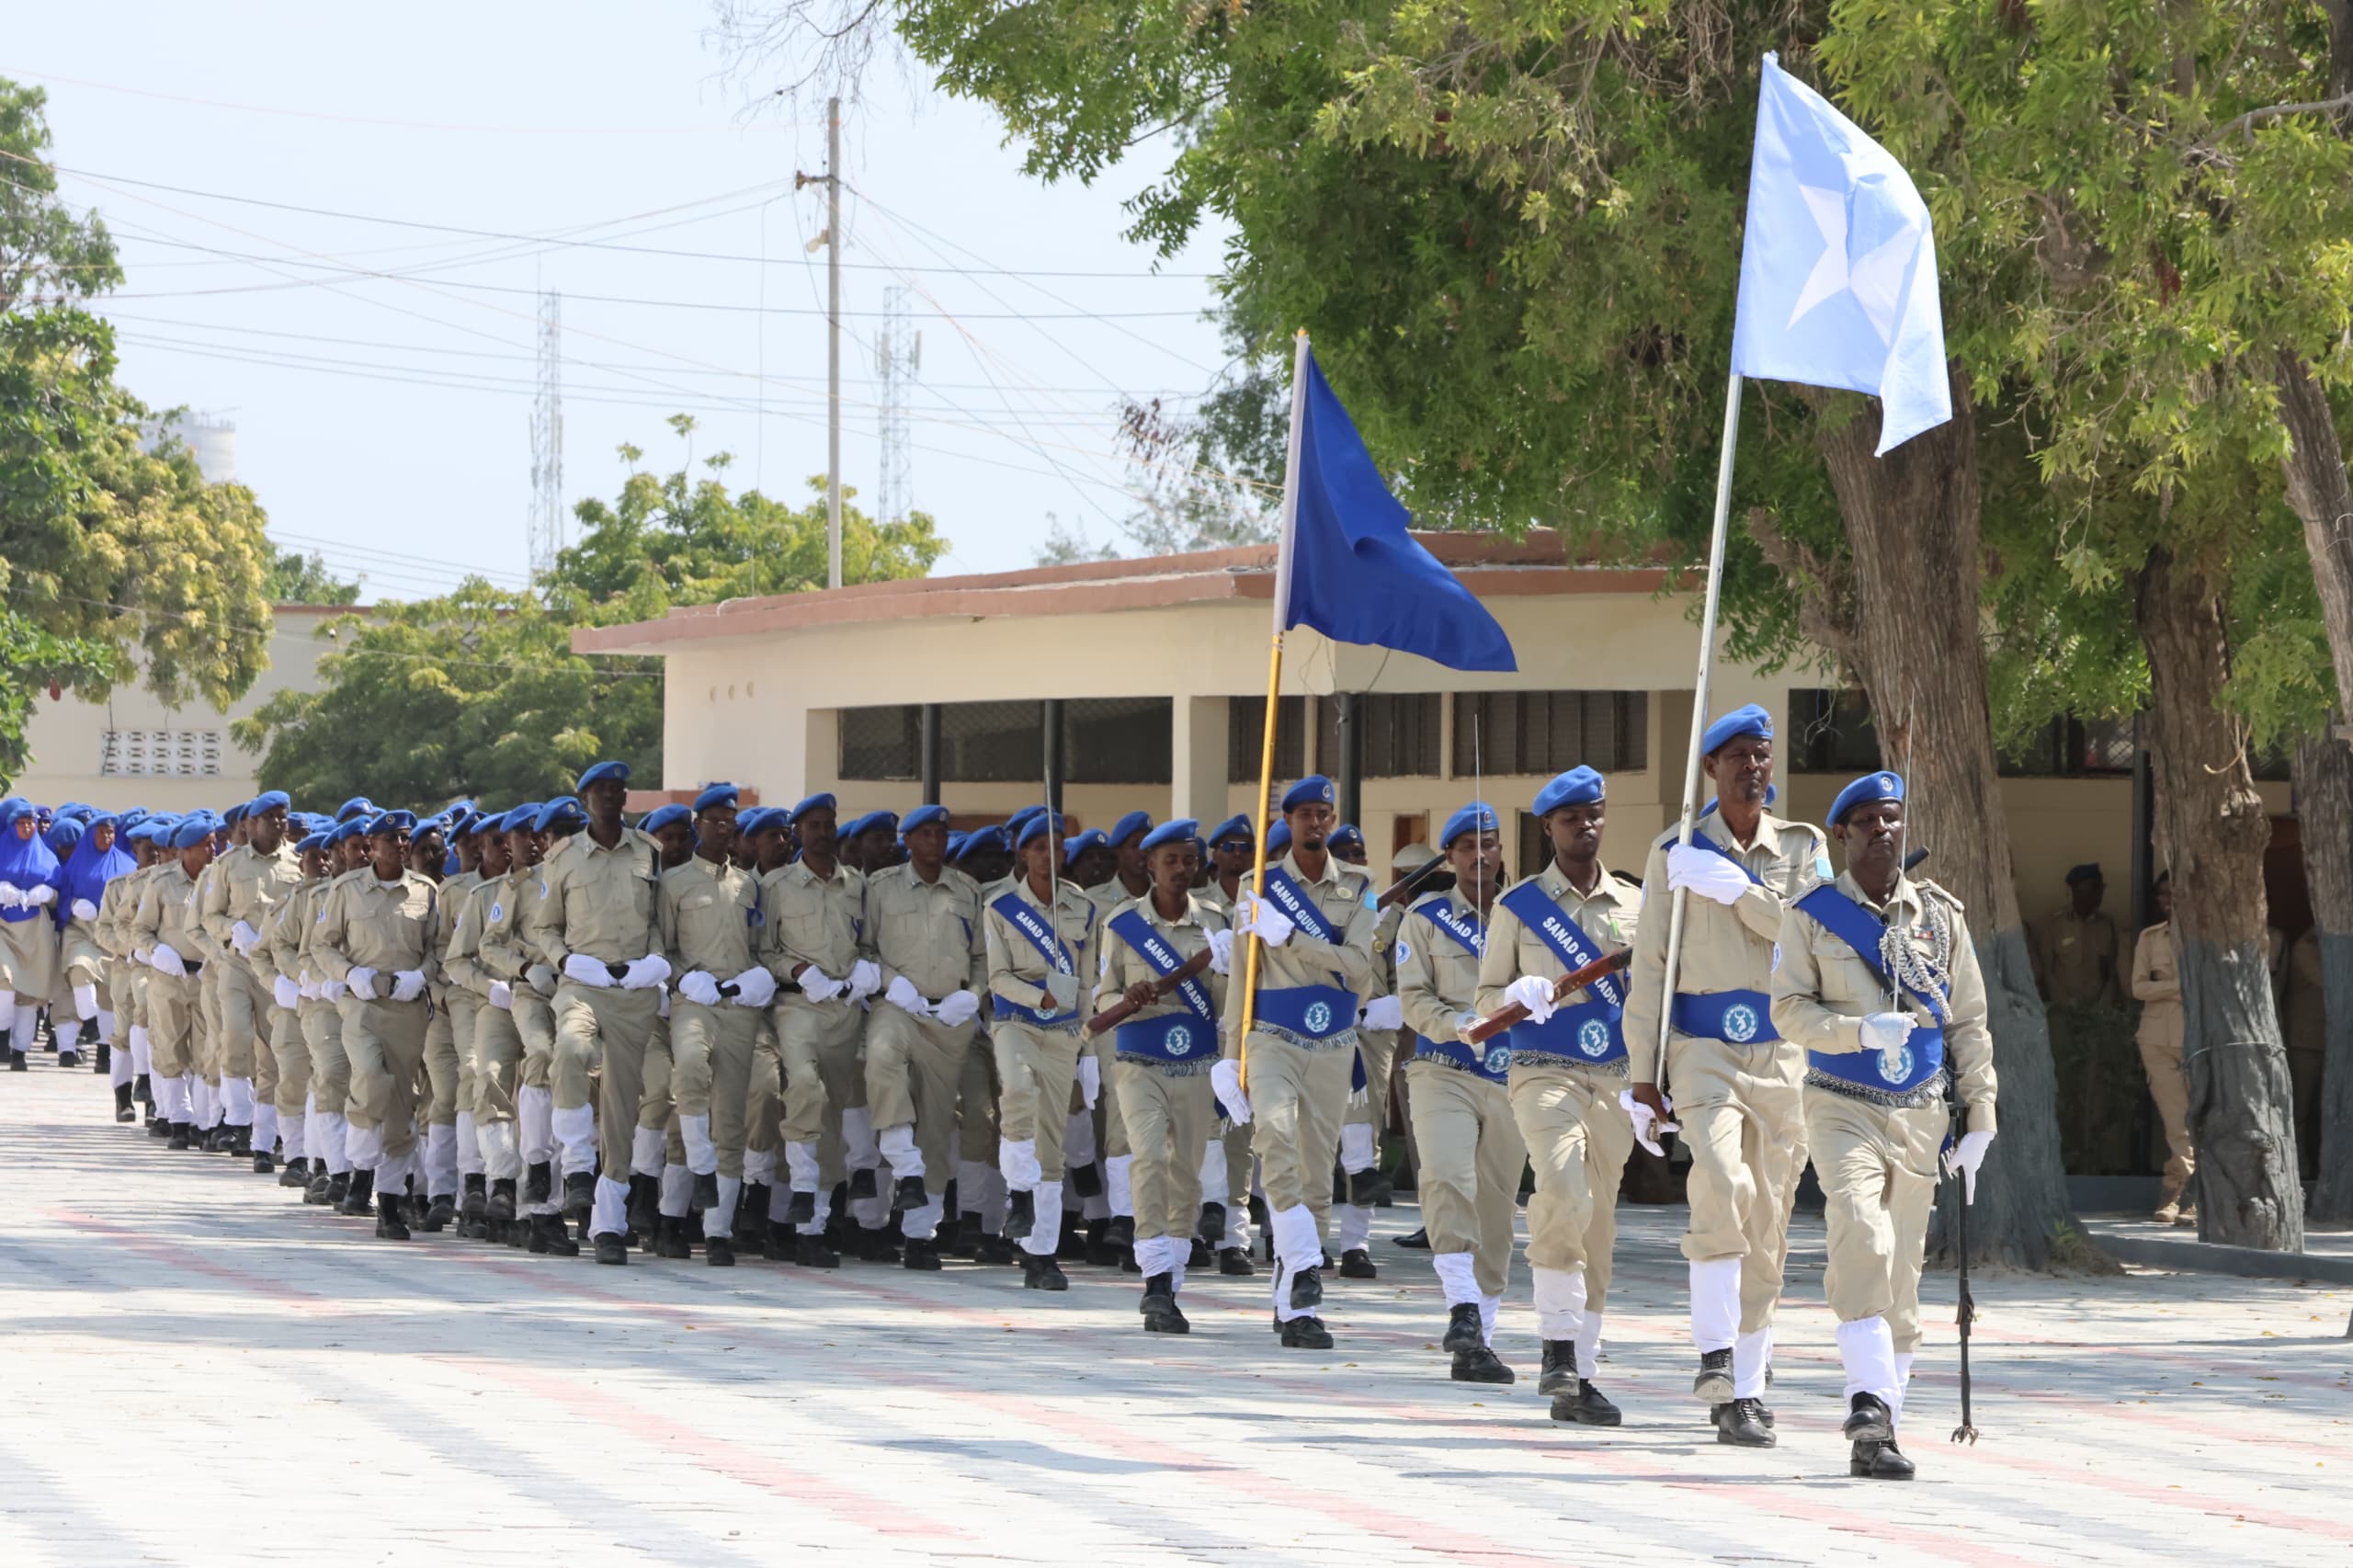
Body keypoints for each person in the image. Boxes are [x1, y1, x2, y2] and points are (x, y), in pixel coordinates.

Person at [1770, 770, 1996, 1481]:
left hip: (1921, 1110)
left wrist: (1981, 1116)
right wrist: (1857, 1031)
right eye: (1867, 820)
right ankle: (1865, 1397)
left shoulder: (1941, 918)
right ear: (1842, 833)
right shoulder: (1811, 915)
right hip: (1842, 1100)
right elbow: (1788, 1010)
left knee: (1901, 1270)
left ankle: (1880, 1431)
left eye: (1892, 818)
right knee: (1861, 1229)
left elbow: (1969, 1022)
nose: (1882, 830)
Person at [1624, 703, 1824, 1422]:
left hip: (1781, 1052)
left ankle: (1747, 1387)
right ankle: (1714, 1352)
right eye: (1738, 755)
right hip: (1702, 1048)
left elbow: (1818, 937)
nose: (1753, 766)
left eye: (1762, 754)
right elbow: (1651, 966)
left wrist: (1742, 893)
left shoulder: (1802, 847)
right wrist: (1642, 1076)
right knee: (1719, 1178)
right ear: (1711, 767)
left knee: (1768, 1221)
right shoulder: (1674, 851)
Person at [1475, 765, 1639, 1427]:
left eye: (1594, 814)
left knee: (1598, 1221)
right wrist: (1515, 994)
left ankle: (1581, 1375)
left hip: (1615, 1076)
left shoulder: (1637, 903)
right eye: (1571, 818)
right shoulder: (1518, 906)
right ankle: (1555, 1345)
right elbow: (1484, 999)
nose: (1585, 826)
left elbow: (1653, 1000)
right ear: (1548, 827)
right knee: (1564, 1188)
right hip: (1544, 1070)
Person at [1221, 776, 1377, 1349]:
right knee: (1275, 1138)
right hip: (1272, 1036)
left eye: (1323, 814)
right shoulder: (1256, 886)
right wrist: (1229, 1057)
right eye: (1305, 813)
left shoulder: (1361, 887)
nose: (1316, 822)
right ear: (1287, 821)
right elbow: (1242, 975)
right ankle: (1307, 1263)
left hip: (1332, 1040)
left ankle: (1296, 1307)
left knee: (1316, 1172)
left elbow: (1360, 968)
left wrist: (1290, 938)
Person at [525, 762, 671, 1266]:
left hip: (633, 989)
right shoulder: (563, 858)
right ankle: (578, 1169)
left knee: (621, 1111)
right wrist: (566, 961)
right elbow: (545, 928)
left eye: (617, 789)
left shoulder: (648, 852)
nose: (610, 796)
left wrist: (654, 961)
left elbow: (658, 922)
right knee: (569, 1049)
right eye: (601, 790)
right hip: (583, 983)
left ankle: (608, 1225)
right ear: (585, 798)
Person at [1398, 802, 1523, 1385]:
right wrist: (1456, 1024)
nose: (1480, 855)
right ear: (1449, 857)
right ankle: (1461, 1307)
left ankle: (1479, 1344)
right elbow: (1413, 998)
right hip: (1443, 1067)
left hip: (1512, 1076)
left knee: (1497, 1210)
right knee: (1447, 1177)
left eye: (1489, 844)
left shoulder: (1526, 916)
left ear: (1501, 850)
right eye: (1468, 846)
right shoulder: (1424, 919)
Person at [1095, 818, 1231, 1331]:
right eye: (1170, 860)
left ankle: (1169, 1283)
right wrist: (1125, 998)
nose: (1180, 869)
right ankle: (1152, 1275)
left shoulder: (1216, 923)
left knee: (1186, 1174)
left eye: (1189, 860)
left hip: (1196, 1062)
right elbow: (1102, 997)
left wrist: (1227, 970)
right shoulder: (1123, 923)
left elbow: (1228, 1004)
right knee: (1149, 1158)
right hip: (1139, 1061)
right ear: (1148, 864)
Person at [863, 801, 989, 1271]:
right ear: (909, 841)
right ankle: (902, 1158)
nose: (936, 842)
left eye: (941, 834)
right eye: (926, 834)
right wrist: (889, 981)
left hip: (948, 1017)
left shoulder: (967, 891)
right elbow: (864, 948)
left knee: (937, 1126)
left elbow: (982, 957)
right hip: (898, 1006)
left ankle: (920, 1234)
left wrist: (973, 995)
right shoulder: (881, 887)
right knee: (882, 1056)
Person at [983, 810, 1104, 1290]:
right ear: (1023, 853)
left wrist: (1087, 1046)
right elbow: (997, 978)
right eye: (1039, 848)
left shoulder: (1083, 908)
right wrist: (1039, 997)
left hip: (1064, 1031)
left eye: (1057, 847)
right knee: (1017, 1094)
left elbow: (1089, 981)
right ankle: (1018, 1194)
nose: (1049, 856)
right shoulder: (1000, 907)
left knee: (1052, 1137)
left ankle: (1042, 1253)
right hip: (1017, 1021)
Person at [759, 792, 881, 1267]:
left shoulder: (857, 885)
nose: (824, 833)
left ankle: (814, 1227)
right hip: (798, 1006)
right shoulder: (777, 885)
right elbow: (763, 950)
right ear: (797, 833)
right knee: (805, 1088)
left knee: (831, 1114)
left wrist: (866, 970)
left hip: (845, 1009)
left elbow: (868, 943)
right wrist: (796, 970)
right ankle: (803, 1195)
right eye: (814, 826)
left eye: (829, 824)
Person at [657, 784, 774, 1266]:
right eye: (716, 821)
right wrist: (684, 977)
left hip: (739, 1008)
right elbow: (662, 949)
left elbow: (761, 945)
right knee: (688, 1070)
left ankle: (718, 1231)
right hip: (694, 1000)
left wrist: (756, 979)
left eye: (731, 821)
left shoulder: (749, 886)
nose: (725, 829)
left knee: (729, 1119)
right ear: (698, 825)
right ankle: (689, 1188)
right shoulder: (675, 883)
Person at [312, 812, 440, 1239]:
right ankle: (361, 1166)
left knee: (402, 1103)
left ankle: (388, 1205)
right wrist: (350, 974)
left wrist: (422, 975)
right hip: (362, 1005)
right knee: (369, 1076)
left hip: (407, 1008)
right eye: (390, 838)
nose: (400, 845)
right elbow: (322, 945)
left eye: (404, 838)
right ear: (371, 846)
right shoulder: (347, 889)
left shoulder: (425, 891)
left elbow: (438, 949)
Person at [199, 790, 301, 1169]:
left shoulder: (297, 862)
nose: (278, 822)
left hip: (276, 968)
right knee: (236, 1036)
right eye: (270, 817)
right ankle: (238, 1121)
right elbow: (210, 916)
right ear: (252, 823)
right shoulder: (228, 863)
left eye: (283, 816)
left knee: (274, 1053)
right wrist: (233, 930)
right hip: (238, 963)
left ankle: (264, 1139)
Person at [1331, 823, 1399, 1278]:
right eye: (1345, 855)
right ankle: (1304, 1241)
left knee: (1367, 1133)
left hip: (1372, 1034)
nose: (1355, 862)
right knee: (1315, 1140)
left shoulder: (1388, 913)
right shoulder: (1313, 909)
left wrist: (1393, 1006)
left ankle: (1356, 1245)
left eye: (1359, 854)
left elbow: (1404, 976)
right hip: (1322, 1026)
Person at [131, 815, 220, 1148]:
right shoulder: (161, 882)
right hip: (169, 976)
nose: (213, 850)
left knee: (207, 1051)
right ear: (186, 850)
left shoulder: (217, 879)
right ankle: (179, 1121)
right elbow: (140, 929)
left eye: (214, 843)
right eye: (206, 845)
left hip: (207, 975)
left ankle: (202, 1122)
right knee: (170, 1048)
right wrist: (156, 951)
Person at [2129, 873, 2196, 1226]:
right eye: (2161, 894)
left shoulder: (2206, 936)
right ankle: (2187, 1195)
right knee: (2176, 1120)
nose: (2166, 900)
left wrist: (2165, 987)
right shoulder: (2150, 937)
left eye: (2173, 894)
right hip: (2156, 1037)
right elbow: (2139, 988)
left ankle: (2179, 1192)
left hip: (2198, 1038)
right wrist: (2180, 986)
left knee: (2200, 1120)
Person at [59, 812, 136, 1112]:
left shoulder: (126, 864)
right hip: (81, 930)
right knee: (80, 969)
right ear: (91, 834)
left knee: (109, 997)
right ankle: (88, 1023)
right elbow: (61, 894)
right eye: (101, 832)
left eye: (111, 832)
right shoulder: (76, 863)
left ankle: (104, 1052)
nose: (107, 837)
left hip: (112, 935)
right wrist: (73, 904)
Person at [0, 796, 64, 1070]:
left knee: (28, 994)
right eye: (22, 823)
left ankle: (20, 1051)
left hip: (35, 930)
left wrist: (49, 894)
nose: (27, 827)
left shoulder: (47, 856)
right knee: (4, 983)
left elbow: (60, 895)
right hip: (3, 928)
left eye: (31, 823)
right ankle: (2, 1035)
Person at [2036, 863, 2122, 1008]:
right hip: (2063, 1008)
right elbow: (2047, 972)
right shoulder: (2053, 924)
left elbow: (2111, 972)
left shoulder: (2106, 924)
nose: (2099, 895)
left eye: (2101, 889)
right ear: (2076, 891)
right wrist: (2065, 1004)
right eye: (2094, 889)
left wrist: (2103, 1006)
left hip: (2099, 1010)